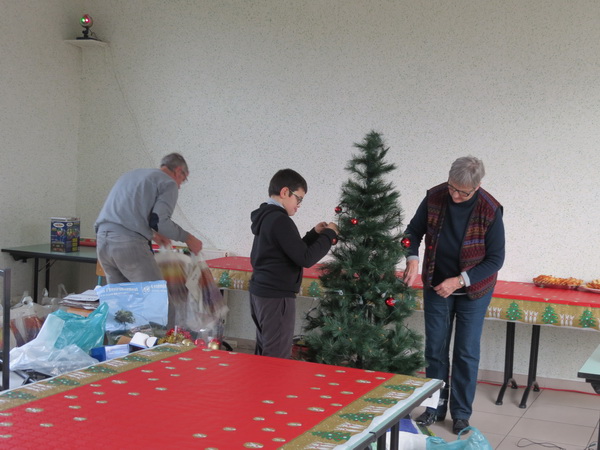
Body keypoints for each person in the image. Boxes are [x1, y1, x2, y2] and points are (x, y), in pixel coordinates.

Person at [403, 156, 505, 435]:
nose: (456, 196)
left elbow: (495, 259)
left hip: (474, 290)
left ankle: (460, 414)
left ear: (477, 187)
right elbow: (413, 231)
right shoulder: (435, 197)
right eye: (452, 188)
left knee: (465, 352)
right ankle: (434, 407)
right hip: (437, 284)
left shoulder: (490, 209)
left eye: (463, 192)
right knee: (435, 349)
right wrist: (412, 258)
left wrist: (460, 280)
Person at [249, 168, 339, 359]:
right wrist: (330, 235)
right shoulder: (280, 220)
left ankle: (260, 379)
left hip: (261, 292)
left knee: (266, 349)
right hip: (276, 296)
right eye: (298, 199)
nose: (299, 205)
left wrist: (314, 234)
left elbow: (292, 250)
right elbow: (305, 258)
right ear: (284, 192)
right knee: (277, 355)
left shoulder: (267, 216)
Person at [95, 153, 203, 284]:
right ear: (178, 171)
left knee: (120, 295)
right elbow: (160, 222)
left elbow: (127, 215)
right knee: (154, 293)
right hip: (128, 245)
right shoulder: (168, 182)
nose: (179, 186)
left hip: (102, 243)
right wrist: (189, 239)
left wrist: (153, 235)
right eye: (183, 179)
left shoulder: (130, 175)